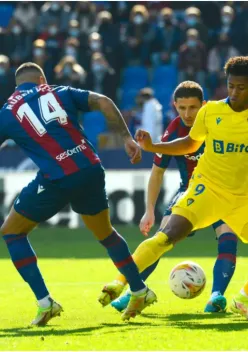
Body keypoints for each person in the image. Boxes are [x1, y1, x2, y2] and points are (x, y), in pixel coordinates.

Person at [99, 56, 248, 321]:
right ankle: (119, 282)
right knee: (166, 236)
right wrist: (154, 147)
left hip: (242, 199)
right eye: (230, 86)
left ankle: (244, 298)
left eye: (241, 87)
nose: (234, 92)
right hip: (206, 190)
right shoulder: (211, 111)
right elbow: (190, 143)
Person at [0, 63, 156, 326]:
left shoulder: (6, 112)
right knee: (106, 234)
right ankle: (140, 290)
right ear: (42, 79)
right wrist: (127, 138)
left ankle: (45, 303)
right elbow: (105, 101)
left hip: (57, 178)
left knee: (12, 232)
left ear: (17, 86)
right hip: (90, 168)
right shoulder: (58, 91)